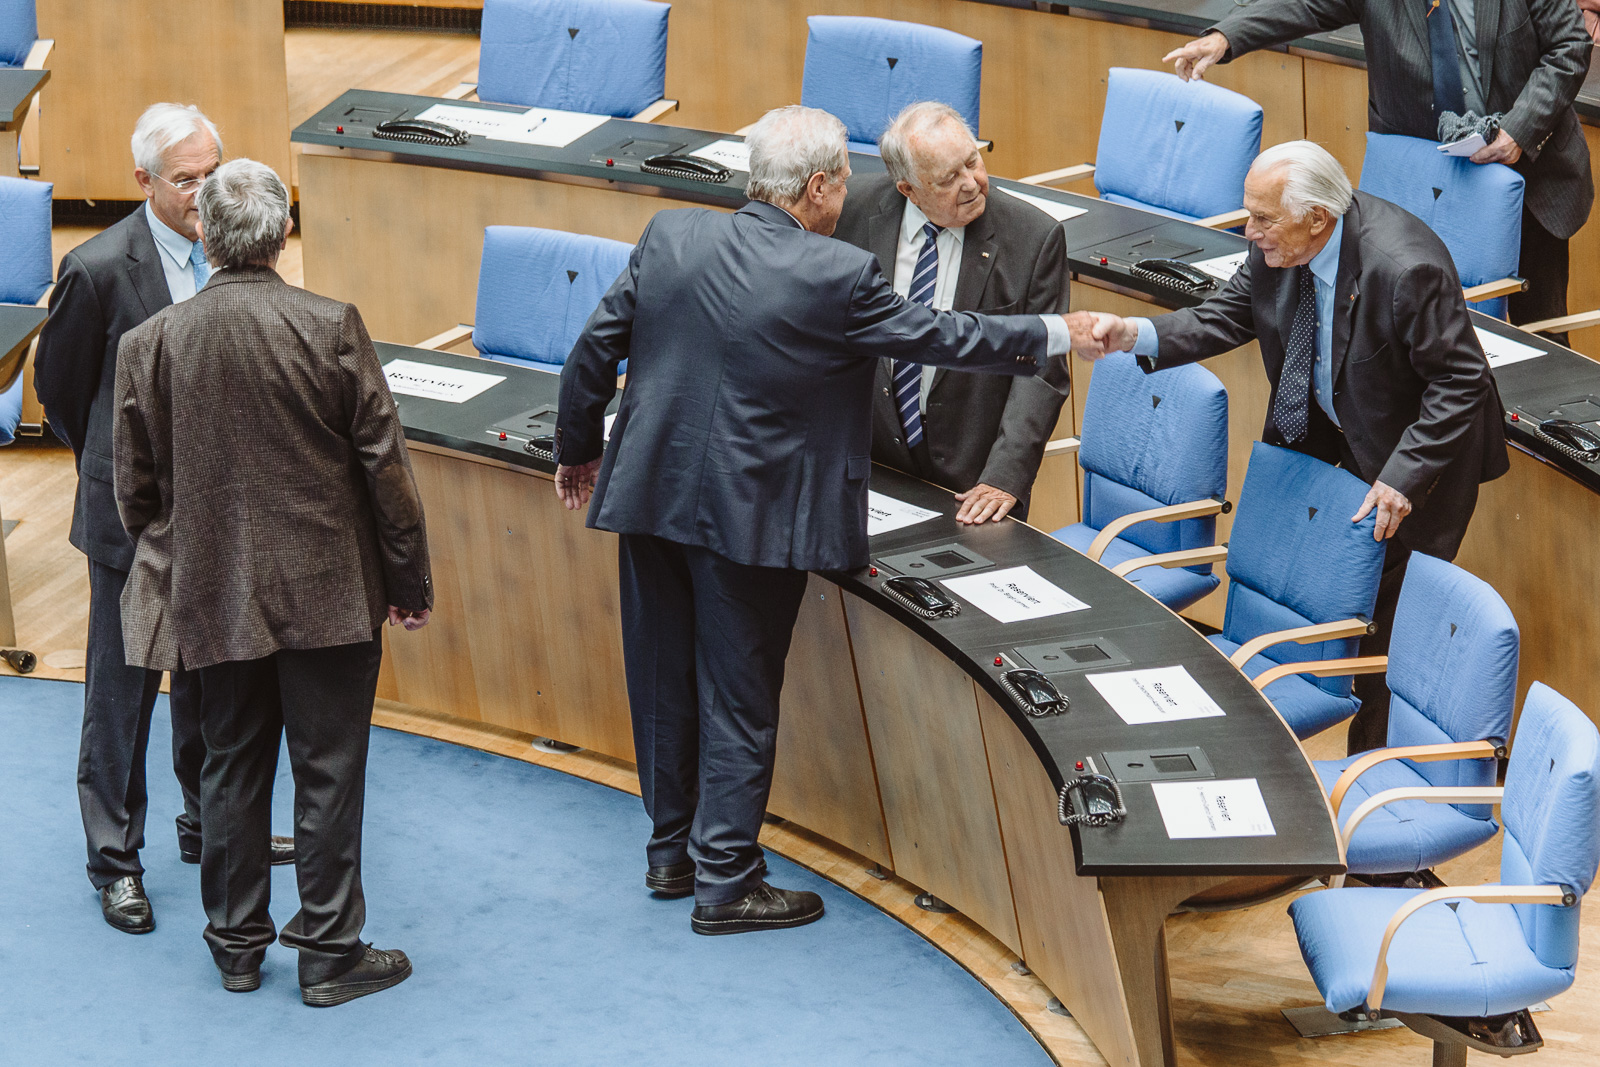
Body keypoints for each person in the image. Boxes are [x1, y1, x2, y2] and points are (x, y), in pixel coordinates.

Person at [554, 105, 1085, 934]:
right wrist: (1061, 330)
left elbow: (593, 351)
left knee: (661, 679)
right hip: (752, 520)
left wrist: (577, 448)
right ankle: (725, 880)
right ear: (819, 188)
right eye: (842, 184)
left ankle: (671, 853)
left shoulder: (671, 236)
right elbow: (945, 337)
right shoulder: (835, 275)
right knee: (739, 696)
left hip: (650, 496)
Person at [113, 159, 433, 1003]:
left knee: (229, 765)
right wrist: (408, 581)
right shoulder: (331, 326)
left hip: (210, 590)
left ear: (206, 236)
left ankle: (236, 945)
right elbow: (385, 473)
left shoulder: (150, 343)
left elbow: (134, 492)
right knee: (329, 770)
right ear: (284, 232)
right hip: (331, 593)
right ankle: (330, 951)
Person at [1079, 141, 1508, 753]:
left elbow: (1463, 379)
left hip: (1414, 456)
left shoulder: (1404, 266)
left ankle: (1374, 765)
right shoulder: (1277, 245)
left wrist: (1403, 476)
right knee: (1301, 572)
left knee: (1390, 613)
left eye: (1262, 218)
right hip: (1329, 429)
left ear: (1318, 217)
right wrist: (1135, 333)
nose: (1248, 232)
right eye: (1247, 215)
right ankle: (1270, 720)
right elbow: (1224, 315)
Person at [31, 103, 292, 936]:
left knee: (211, 681)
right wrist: (116, 473)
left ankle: (206, 824)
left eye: (214, 170)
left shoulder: (234, 247)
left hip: (216, 511)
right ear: (142, 181)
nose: (205, 190)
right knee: (123, 693)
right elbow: (63, 393)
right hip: (127, 520)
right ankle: (115, 860)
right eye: (187, 178)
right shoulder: (100, 266)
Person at [1163, 0, 1592, 342]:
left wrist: (1518, 130)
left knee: (1540, 334)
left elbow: (1568, 46)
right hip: (1422, 178)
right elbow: (1302, 3)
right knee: (1408, 324)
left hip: (1531, 179)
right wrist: (1225, 36)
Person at [832, 101, 1070, 525]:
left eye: (972, 162)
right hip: (873, 463)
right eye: (948, 178)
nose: (972, 184)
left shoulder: (1033, 237)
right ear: (908, 189)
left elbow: (1043, 368)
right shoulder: (853, 212)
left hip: (973, 482)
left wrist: (1006, 476)